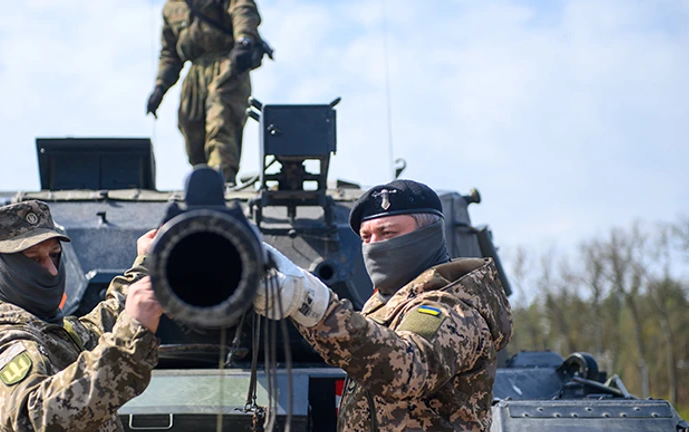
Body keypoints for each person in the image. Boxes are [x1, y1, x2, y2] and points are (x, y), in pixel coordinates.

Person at [254, 179, 513, 431]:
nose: (374, 245)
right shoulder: (386, 303)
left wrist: (311, 304)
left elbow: (407, 369)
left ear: (428, 235)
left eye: (388, 233)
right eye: (366, 237)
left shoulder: (454, 307)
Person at [0, 200, 164, 431]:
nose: (52, 270)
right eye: (35, 259)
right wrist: (131, 335)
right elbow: (36, 418)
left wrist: (145, 266)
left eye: (54, 255)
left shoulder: (45, 328)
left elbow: (97, 328)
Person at [146, 0, 264, 186]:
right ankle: (204, 179)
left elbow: (242, 9)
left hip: (227, 63)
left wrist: (244, 40)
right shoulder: (171, 7)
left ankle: (221, 178)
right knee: (189, 122)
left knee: (221, 118)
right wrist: (160, 87)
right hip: (196, 71)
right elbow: (170, 53)